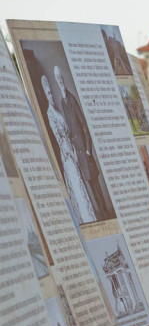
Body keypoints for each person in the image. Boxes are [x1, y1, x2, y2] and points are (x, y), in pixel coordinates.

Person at [41, 75, 96, 224]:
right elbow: (59, 138)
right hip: (67, 155)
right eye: (48, 94)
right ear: (46, 96)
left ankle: (90, 217)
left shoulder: (58, 109)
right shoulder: (50, 114)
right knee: (77, 187)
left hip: (72, 151)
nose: (51, 96)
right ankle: (85, 219)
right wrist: (70, 152)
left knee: (81, 186)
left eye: (52, 93)